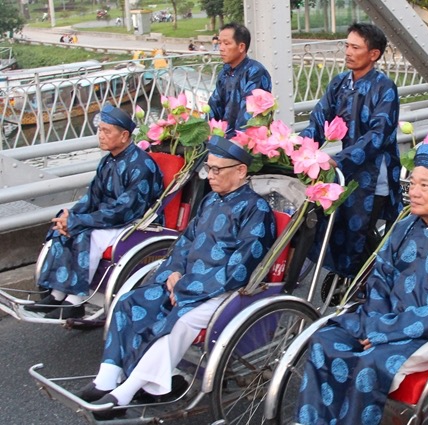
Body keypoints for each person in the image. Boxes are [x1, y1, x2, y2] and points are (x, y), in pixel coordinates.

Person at [76, 136, 276, 419]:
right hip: (185, 280)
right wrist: (173, 272)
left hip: (221, 291)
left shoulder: (257, 210)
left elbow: (241, 267)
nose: (211, 176)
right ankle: (107, 377)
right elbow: (185, 242)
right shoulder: (210, 200)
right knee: (129, 302)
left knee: (178, 319)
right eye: (209, 169)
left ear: (241, 171)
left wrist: (188, 287)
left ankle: (128, 390)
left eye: (218, 170)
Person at [294, 144, 428, 425]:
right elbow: (379, 277)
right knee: (324, 340)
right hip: (384, 317)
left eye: (424, 185)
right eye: (412, 183)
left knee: (369, 363)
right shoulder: (405, 226)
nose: (413, 192)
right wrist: (376, 321)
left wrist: (384, 332)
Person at [26, 105, 163, 320]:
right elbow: (92, 197)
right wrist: (70, 217)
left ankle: (76, 300)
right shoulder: (107, 161)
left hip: (135, 222)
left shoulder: (141, 165)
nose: (101, 136)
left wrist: (81, 222)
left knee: (85, 233)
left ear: (124, 135)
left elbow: (125, 210)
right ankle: (56, 293)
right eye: (100, 130)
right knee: (66, 228)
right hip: (108, 216)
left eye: (107, 131)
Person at [300, 23, 403, 279]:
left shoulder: (385, 87)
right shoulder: (340, 83)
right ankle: (356, 282)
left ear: (373, 54)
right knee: (341, 228)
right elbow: (319, 120)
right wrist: (298, 147)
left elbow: (378, 136)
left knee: (360, 230)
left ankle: (368, 282)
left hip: (373, 174)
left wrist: (339, 159)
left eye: (355, 47)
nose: (347, 51)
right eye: (346, 45)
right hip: (346, 171)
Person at [207, 22, 272, 138]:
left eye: (226, 44)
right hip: (223, 139)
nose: (221, 48)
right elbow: (214, 106)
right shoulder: (224, 73)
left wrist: (231, 139)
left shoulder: (255, 71)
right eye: (220, 43)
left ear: (241, 46)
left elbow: (249, 115)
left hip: (247, 142)